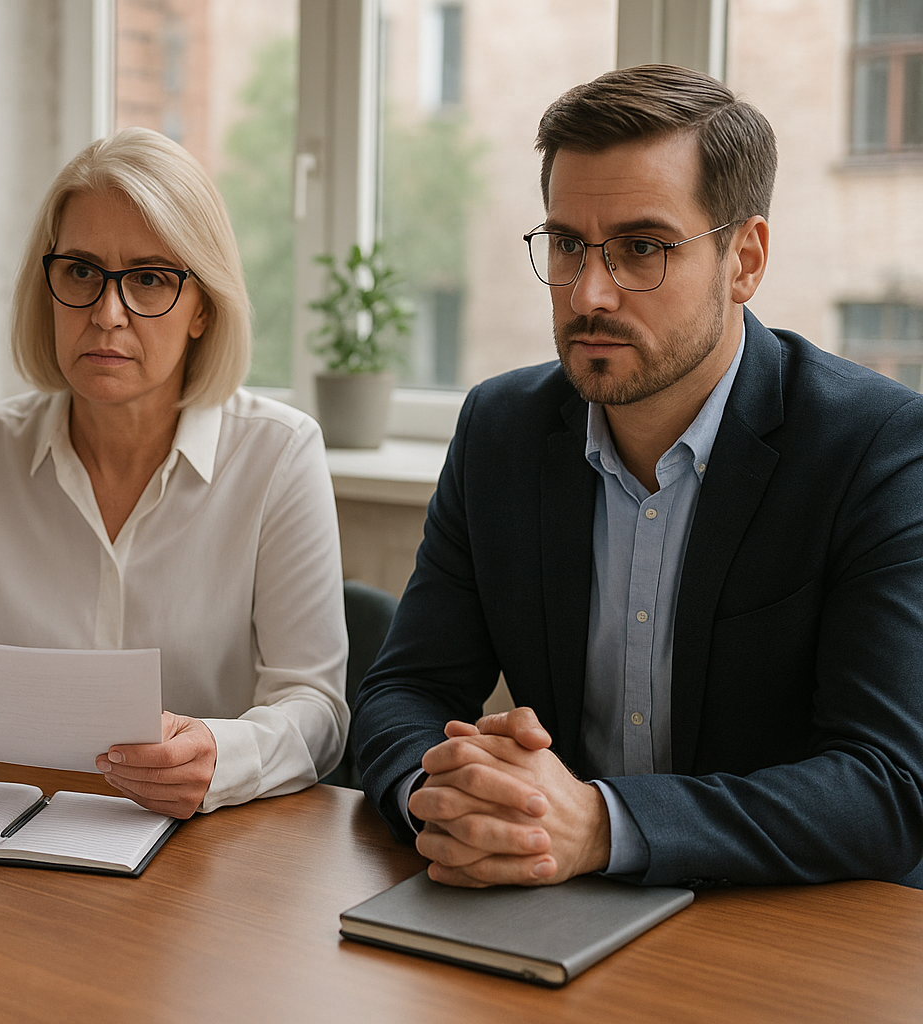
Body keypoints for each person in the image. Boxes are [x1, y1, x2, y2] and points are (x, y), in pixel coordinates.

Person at [351, 65, 923, 889]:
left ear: (744, 259)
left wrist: (602, 824)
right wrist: (439, 799)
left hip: (788, 934)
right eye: (567, 246)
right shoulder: (500, 432)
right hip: (557, 909)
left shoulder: (877, 448)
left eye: (642, 249)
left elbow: (888, 788)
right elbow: (406, 687)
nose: (589, 293)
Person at [0, 127, 347, 818]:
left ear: (204, 310)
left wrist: (221, 756)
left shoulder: (278, 456)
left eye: (150, 279)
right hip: (4, 842)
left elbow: (317, 710)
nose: (106, 314)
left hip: (203, 856)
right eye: (80, 272)